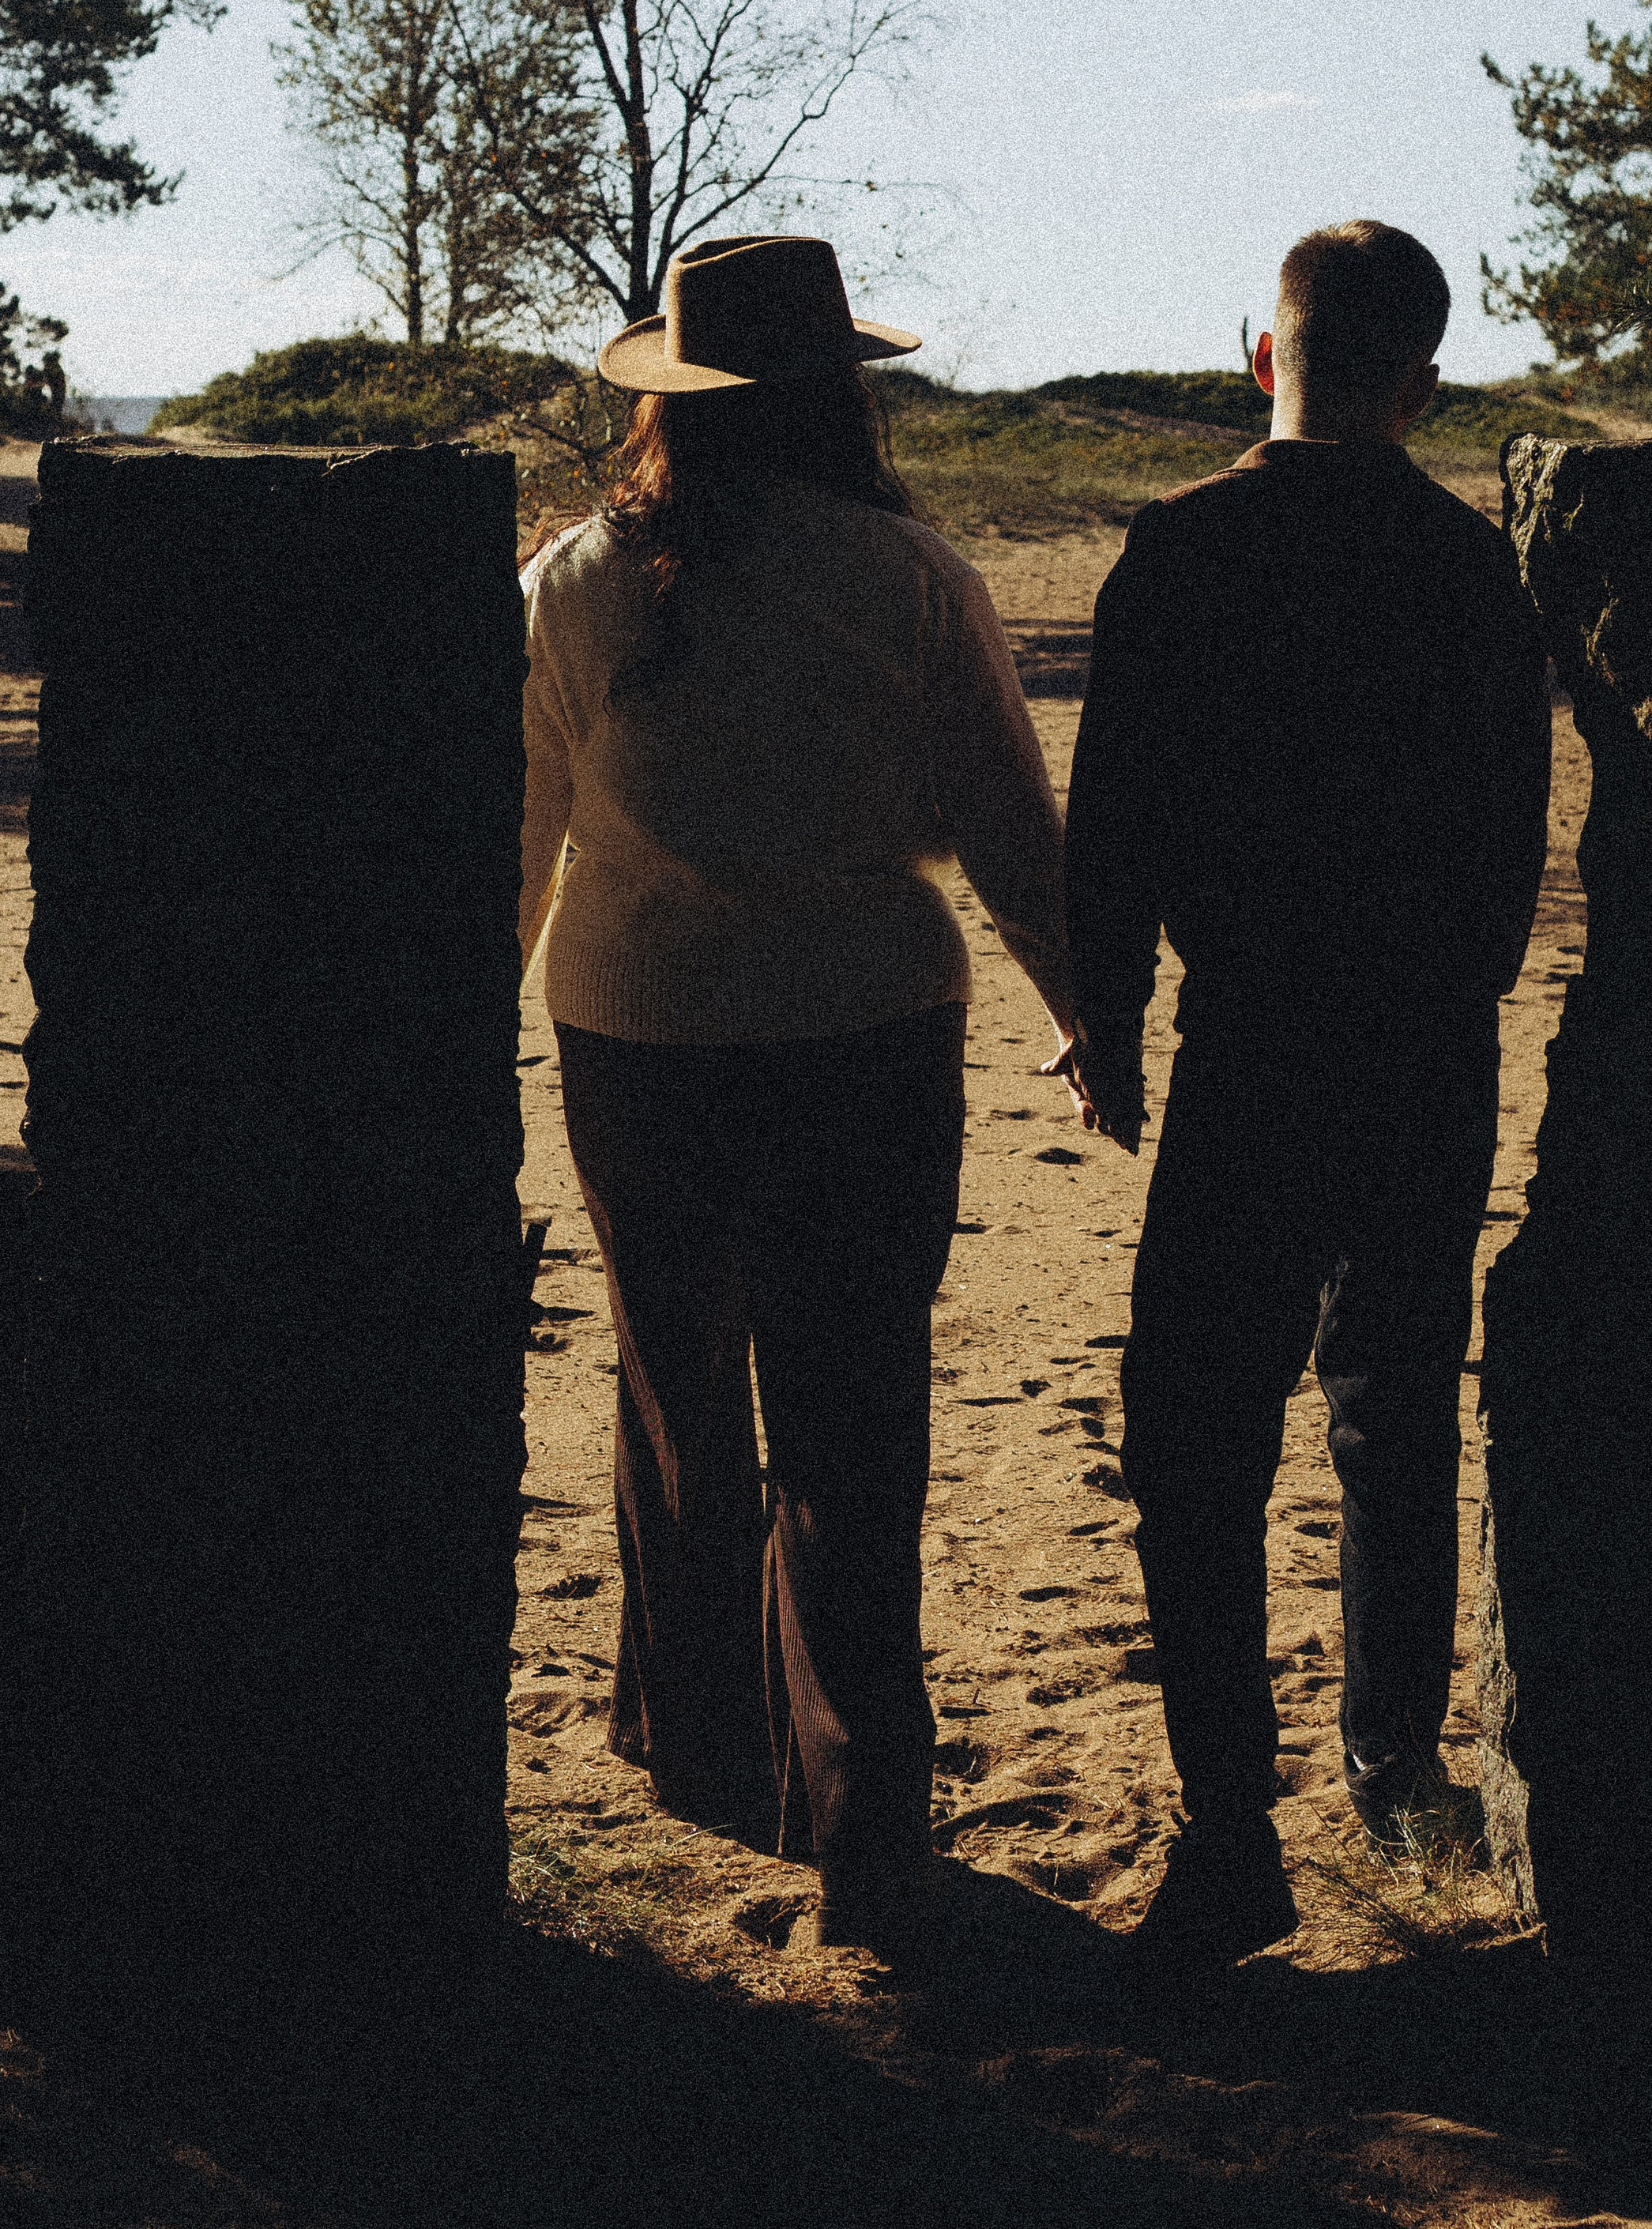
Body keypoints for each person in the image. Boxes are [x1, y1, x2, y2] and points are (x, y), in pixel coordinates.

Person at [519, 235, 1078, 1955]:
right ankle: (859, 1810)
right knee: (852, 1425)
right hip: (862, 1033)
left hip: (636, 1032)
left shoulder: (572, 578)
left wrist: (462, 1029)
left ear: (674, 394)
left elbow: (516, 825)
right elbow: (1002, 820)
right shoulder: (907, 573)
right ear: (842, 387)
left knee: (677, 1393)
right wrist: (1093, 1015)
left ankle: (695, 1752)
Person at [1056, 220, 1550, 1973]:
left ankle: (1225, 1818)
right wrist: (1454, 993)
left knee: (1194, 1426)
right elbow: (1507, 842)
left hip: (1248, 1042)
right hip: (1422, 1044)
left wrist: (1105, 1015)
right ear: (1420, 379)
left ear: (1253, 356)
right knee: (1392, 1405)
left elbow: (1112, 821)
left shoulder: (1179, 554)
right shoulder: (1467, 568)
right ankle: (1389, 1763)